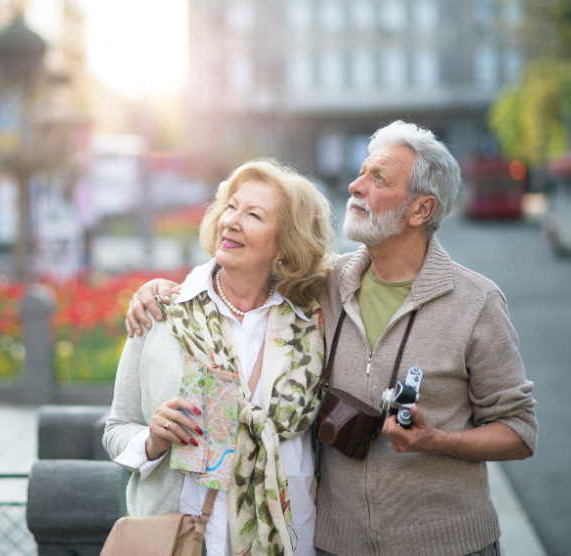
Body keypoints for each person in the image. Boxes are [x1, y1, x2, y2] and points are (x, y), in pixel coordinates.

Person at [125, 121, 538, 556]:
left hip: (449, 547)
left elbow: (519, 431)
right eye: (362, 172)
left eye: (378, 179)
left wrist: (437, 441)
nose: (356, 186)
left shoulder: (477, 303)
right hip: (338, 545)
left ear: (420, 210)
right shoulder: (322, 285)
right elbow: (240, 277)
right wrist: (158, 289)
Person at [103, 159, 336, 556]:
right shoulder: (163, 313)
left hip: (289, 539)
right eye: (231, 207)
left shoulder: (313, 325)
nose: (232, 221)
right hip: (183, 539)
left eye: (253, 215)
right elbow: (116, 427)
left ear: (285, 242)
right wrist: (153, 440)